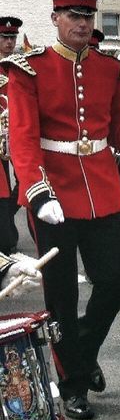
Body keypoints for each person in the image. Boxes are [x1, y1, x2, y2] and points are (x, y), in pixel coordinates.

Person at [3, 0, 120, 420]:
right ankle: (73, 383)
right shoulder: (29, 69)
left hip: (100, 186)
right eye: (73, 16)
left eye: (88, 17)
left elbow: (115, 129)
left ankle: (82, 349)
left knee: (117, 277)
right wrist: (37, 190)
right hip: (53, 191)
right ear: (55, 19)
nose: (82, 24)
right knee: (60, 295)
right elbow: (23, 140)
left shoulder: (109, 67)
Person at [0, 15, 24, 254]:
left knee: (25, 182)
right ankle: (7, 233)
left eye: (12, 37)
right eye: (4, 37)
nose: (9, 42)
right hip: (0, 136)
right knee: (2, 186)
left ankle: (6, 218)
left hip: (18, 133)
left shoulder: (21, 65)